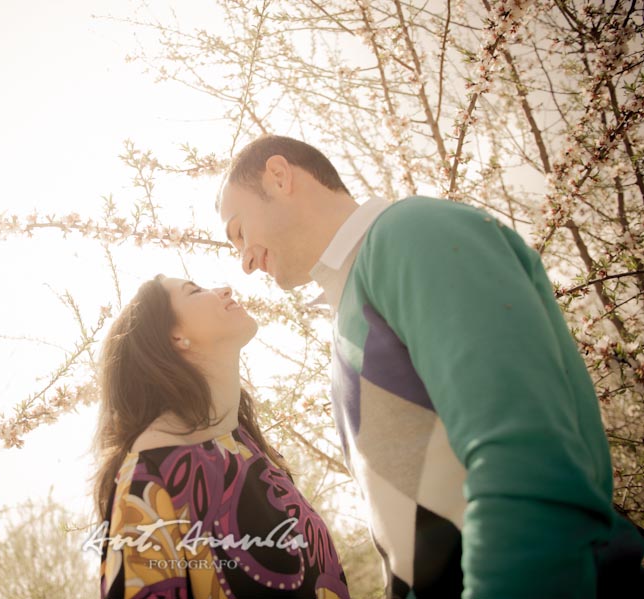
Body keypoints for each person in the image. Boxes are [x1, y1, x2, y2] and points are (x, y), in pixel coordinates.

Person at [216, 134, 644, 598]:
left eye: (239, 231)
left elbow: (524, 453)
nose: (244, 263)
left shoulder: (413, 234)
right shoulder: (348, 314)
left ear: (278, 176)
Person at [90, 274, 351, 598]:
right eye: (195, 291)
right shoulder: (149, 483)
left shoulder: (243, 447)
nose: (224, 289)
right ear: (175, 337)